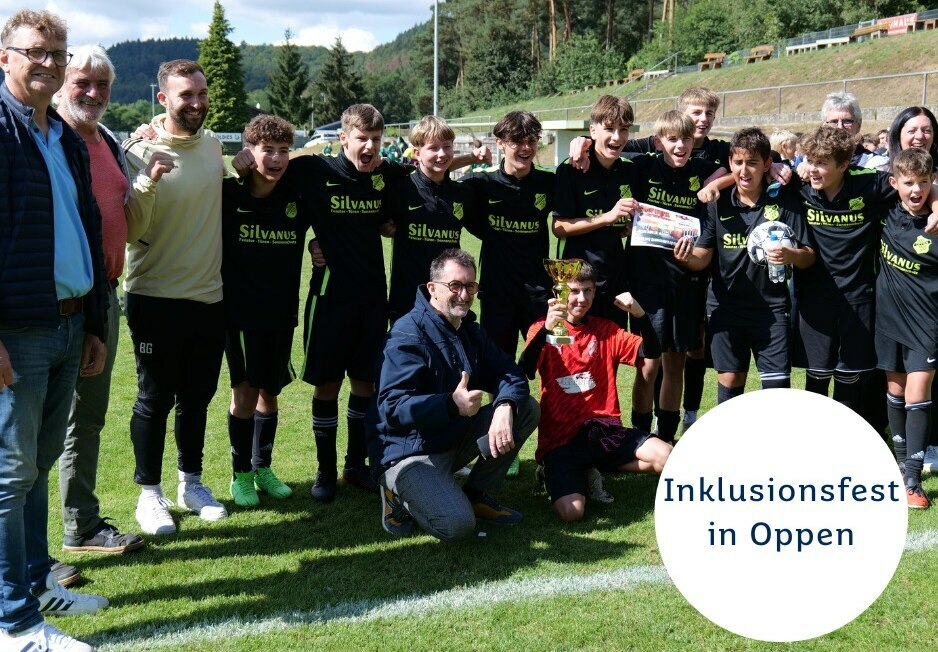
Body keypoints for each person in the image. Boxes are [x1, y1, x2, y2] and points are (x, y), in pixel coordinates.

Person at [0, 9, 110, 650]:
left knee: (38, 466)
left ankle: (38, 581)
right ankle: (13, 621)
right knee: (10, 473)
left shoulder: (65, 137)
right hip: (19, 331)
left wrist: (94, 323)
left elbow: (87, 232)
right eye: (35, 50)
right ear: (5, 56)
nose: (48, 62)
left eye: (57, 52)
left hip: (69, 324)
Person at [123, 59, 229, 534]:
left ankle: (190, 482)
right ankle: (149, 495)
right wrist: (149, 179)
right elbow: (131, 230)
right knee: (154, 397)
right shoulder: (137, 149)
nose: (198, 103)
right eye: (187, 95)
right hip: (154, 295)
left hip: (208, 296)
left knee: (197, 397)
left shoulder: (214, 146)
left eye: (202, 93)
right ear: (163, 99)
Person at [369, 249, 540, 541]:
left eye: (470, 286)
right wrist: (450, 404)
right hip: (409, 451)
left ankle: (475, 494)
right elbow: (392, 408)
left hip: (451, 436)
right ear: (432, 288)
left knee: (526, 408)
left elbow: (509, 372)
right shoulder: (407, 334)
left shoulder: (469, 331)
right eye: (455, 286)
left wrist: (505, 405)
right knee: (458, 525)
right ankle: (394, 490)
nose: (464, 294)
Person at [53, 45, 145, 558]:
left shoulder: (106, 139)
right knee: (41, 429)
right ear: (63, 83)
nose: (93, 93)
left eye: (102, 85)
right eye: (83, 82)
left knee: (86, 417)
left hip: (103, 298)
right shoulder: (49, 137)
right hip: (56, 301)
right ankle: (27, 555)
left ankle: (81, 525)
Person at [518, 263, 670, 522]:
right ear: (561, 292)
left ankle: (594, 467)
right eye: (575, 291)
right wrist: (546, 329)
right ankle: (551, 472)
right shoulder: (542, 329)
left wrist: (640, 314)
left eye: (588, 291)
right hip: (561, 440)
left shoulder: (605, 330)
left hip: (604, 432)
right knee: (572, 512)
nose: (582, 299)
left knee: (666, 457)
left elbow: (651, 352)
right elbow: (525, 370)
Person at [675, 128, 815, 401]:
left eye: (752, 163)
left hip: (771, 309)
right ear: (730, 164)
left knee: (776, 389)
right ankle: (730, 444)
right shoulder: (718, 204)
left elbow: (809, 255)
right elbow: (703, 255)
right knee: (731, 380)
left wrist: (791, 255)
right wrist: (687, 258)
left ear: (766, 165)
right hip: (726, 308)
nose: (744, 171)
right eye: (738, 163)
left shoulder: (784, 200)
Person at [222, 115, 310, 508]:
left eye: (283, 150)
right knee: (244, 393)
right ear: (248, 151)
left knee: (269, 393)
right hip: (240, 314)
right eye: (267, 150)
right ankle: (240, 475)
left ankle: (263, 466)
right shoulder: (227, 195)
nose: (276, 158)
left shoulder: (296, 197)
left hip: (281, 313)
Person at [626, 111, 723, 444]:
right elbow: (609, 154)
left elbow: (732, 172)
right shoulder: (642, 168)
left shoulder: (702, 172)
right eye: (672, 139)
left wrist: (713, 188)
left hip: (685, 282)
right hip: (646, 282)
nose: (680, 145)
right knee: (647, 366)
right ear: (658, 142)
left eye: (686, 139)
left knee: (674, 365)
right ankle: (639, 437)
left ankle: (666, 438)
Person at [461, 111, 555, 358]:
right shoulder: (480, 184)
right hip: (496, 294)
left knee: (550, 363)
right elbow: (431, 172)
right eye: (517, 141)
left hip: (538, 294)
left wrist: (583, 143)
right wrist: (469, 157)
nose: (526, 148)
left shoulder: (549, 183)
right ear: (500, 142)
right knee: (497, 367)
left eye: (532, 141)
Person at [875, 148, 938, 508]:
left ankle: (913, 482)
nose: (916, 190)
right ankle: (901, 467)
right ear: (895, 183)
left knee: (917, 393)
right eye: (909, 183)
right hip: (888, 320)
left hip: (927, 322)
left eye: (923, 183)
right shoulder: (887, 213)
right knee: (895, 391)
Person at [553, 95, 637, 326]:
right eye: (609, 128)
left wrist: (630, 227)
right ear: (593, 130)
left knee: (610, 353)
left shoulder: (631, 169)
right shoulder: (572, 168)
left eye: (624, 129)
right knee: (572, 351)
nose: (617, 137)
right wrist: (608, 217)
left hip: (615, 279)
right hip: (576, 281)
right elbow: (559, 227)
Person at [386, 115, 476, 322]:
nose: (442, 154)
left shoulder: (463, 193)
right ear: (417, 153)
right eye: (433, 148)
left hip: (450, 299)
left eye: (447, 147)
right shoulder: (400, 189)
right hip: (407, 300)